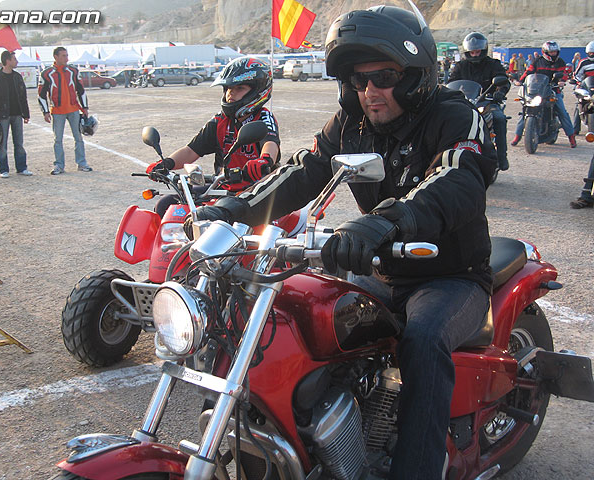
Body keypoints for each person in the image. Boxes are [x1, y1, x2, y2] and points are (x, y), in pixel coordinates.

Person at [186, 5, 496, 478]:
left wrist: (384, 222)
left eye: (384, 77)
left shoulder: (454, 114)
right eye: (358, 80)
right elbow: (304, 170)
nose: (370, 91)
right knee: (301, 312)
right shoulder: (351, 123)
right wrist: (232, 208)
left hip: (451, 275)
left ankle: (418, 467)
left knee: (424, 340)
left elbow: (459, 178)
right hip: (382, 270)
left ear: (416, 75)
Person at [146, 56, 280, 218]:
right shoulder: (220, 120)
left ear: (257, 90)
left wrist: (264, 160)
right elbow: (191, 150)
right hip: (223, 187)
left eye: (239, 88)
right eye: (228, 88)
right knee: (166, 205)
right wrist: (166, 164)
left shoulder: (263, 118)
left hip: (258, 190)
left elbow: (270, 144)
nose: (231, 93)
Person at [448, 31, 510, 170]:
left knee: (499, 118)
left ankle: (502, 156)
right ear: (467, 52)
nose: (475, 55)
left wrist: (500, 92)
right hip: (465, 102)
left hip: (487, 102)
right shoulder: (461, 66)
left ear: (483, 50)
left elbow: (503, 80)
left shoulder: (493, 64)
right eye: (472, 52)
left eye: (477, 52)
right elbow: (452, 83)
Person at [38, 46, 93, 175]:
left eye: (67, 55)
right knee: (58, 140)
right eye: (63, 56)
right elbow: (41, 95)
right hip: (57, 112)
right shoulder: (46, 74)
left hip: (74, 109)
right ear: (55, 57)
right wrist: (45, 112)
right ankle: (59, 165)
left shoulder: (73, 71)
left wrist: (85, 107)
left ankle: (82, 163)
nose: (66, 58)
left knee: (78, 138)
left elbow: (81, 90)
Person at [511, 41, 576, 148]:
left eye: (555, 52)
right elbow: (529, 72)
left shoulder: (560, 62)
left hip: (553, 90)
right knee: (525, 110)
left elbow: (563, 74)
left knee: (562, 112)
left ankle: (571, 137)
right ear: (545, 52)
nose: (553, 54)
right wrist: (520, 81)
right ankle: (517, 137)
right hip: (537, 90)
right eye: (551, 52)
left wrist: (562, 81)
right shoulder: (537, 61)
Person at [0, 50, 32, 178]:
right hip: (2, 115)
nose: (17, 61)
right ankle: (4, 169)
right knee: (2, 144)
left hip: (17, 114)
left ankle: (22, 168)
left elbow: (23, 97)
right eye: (14, 59)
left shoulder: (17, 77)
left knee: (19, 143)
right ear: (7, 61)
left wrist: (26, 114)